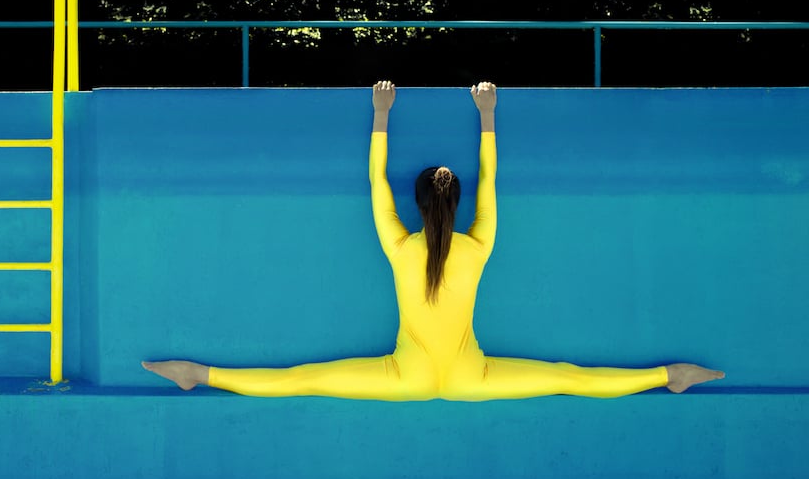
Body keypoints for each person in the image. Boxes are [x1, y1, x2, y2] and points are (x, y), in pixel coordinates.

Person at [142, 81, 724, 400]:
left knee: (303, 379)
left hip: (407, 378)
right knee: (570, 377)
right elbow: (493, 179)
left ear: (417, 204)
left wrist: (380, 113)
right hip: (475, 377)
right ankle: (669, 377)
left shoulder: (400, 246)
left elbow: (374, 180)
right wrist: (488, 115)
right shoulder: (479, 245)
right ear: (457, 204)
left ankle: (201, 375)